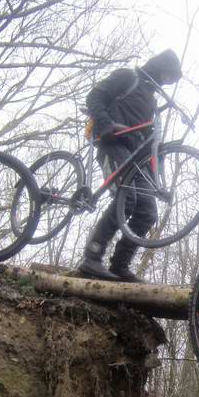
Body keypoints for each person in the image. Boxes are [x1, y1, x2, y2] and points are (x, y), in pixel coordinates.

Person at [77, 49, 183, 282]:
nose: (166, 81)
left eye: (170, 79)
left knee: (147, 211)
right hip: (112, 144)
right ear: (159, 67)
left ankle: (119, 265)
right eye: (166, 75)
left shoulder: (152, 102)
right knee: (128, 198)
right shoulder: (129, 77)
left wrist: (154, 175)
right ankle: (92, 256)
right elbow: (95, 95)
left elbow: (149, 142)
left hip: (137, 159)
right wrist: (105, 124)